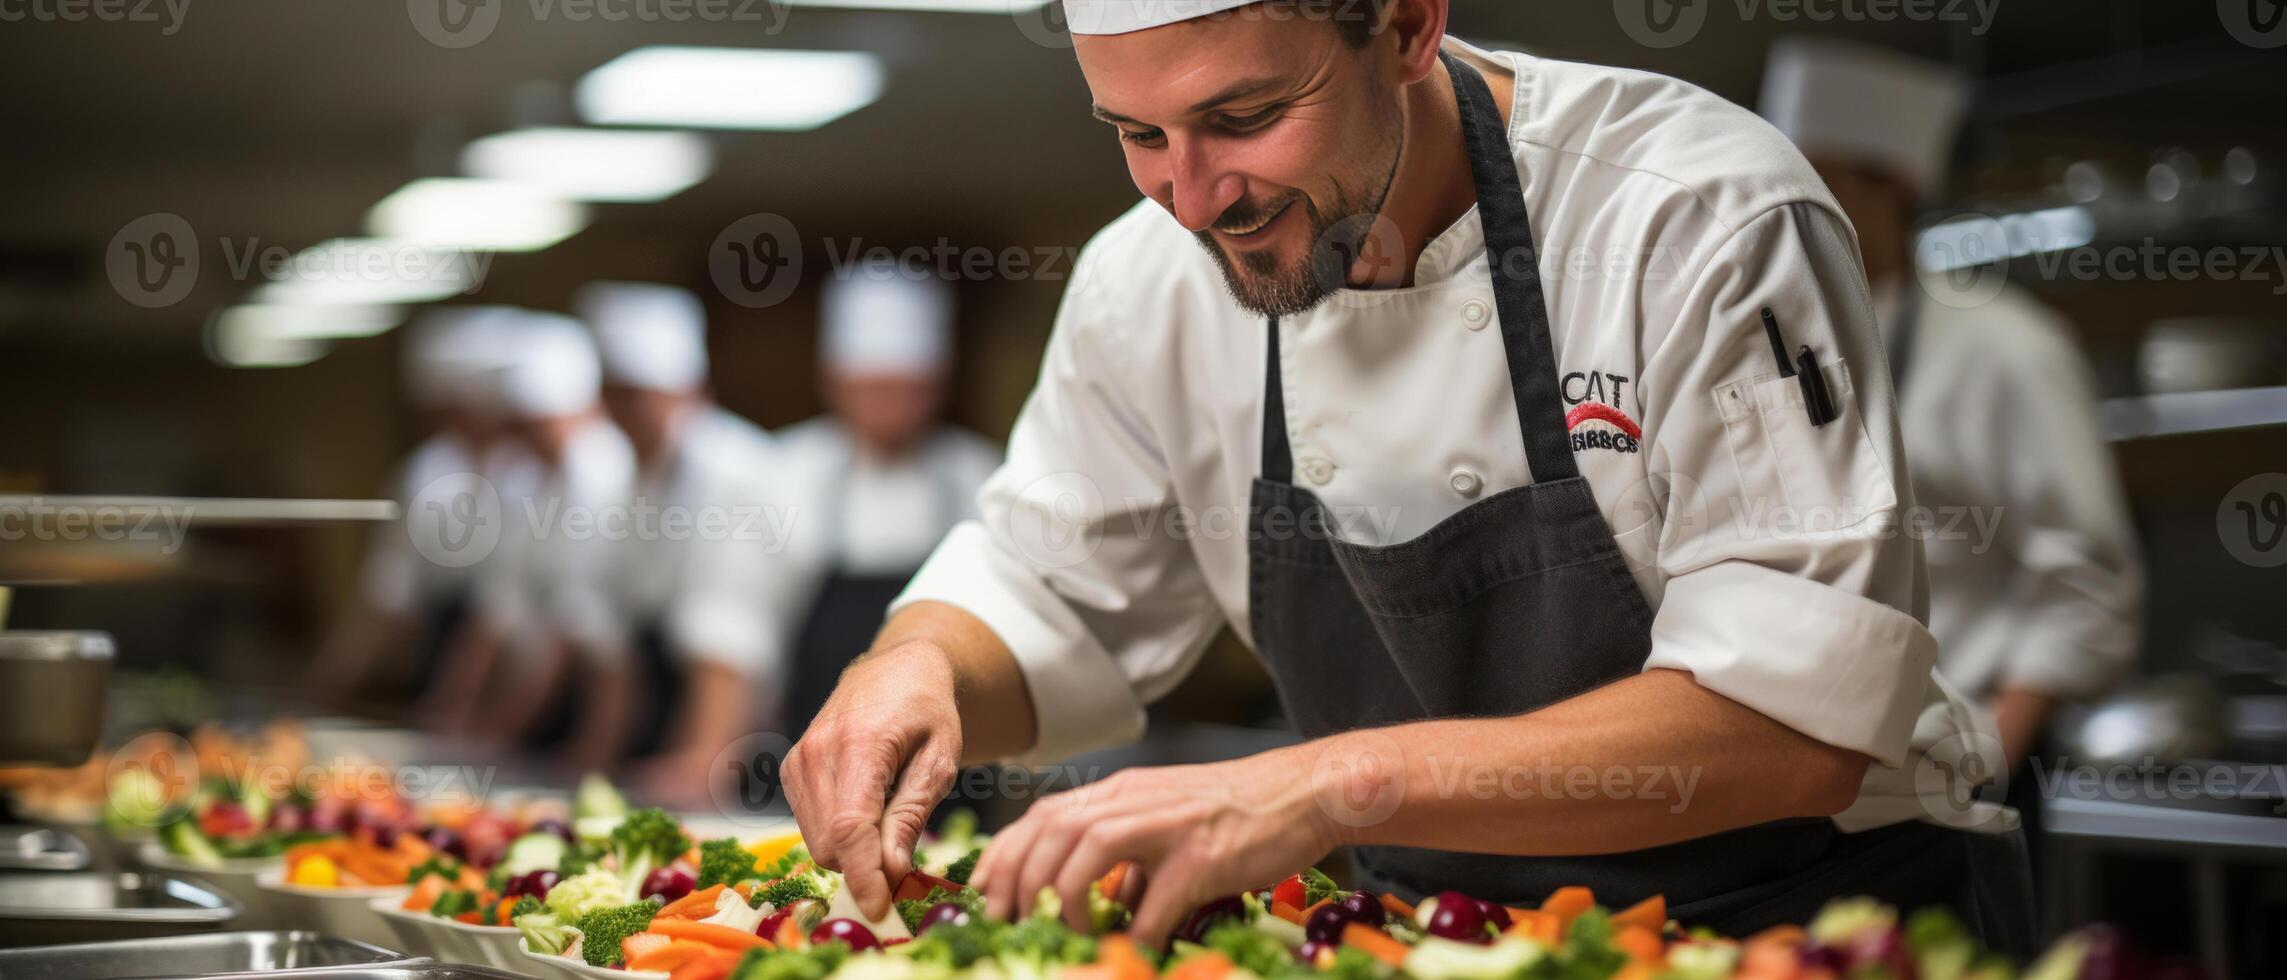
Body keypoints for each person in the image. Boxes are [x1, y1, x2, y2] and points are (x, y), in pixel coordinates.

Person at [783, 0, 2036, 956]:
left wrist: (1333, 781)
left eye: (1241, 118)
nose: (1191, 197)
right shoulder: (1143, 283)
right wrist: (915, 663)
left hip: (1790, 930)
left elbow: (1793, 719)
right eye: (1136, 135)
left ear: (1407, 25)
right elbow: (1047, 589)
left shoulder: (1687, 214)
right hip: (1434, 941)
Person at [1759, 37, 2143, 779]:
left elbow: (2086, 581)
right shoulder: (1764, 340)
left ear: (1893, 186)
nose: (1784, 215)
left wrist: (1987, 754)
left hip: (1948, 760)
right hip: (1797, 770)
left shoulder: (2005, 348)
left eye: (1814, 185)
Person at [575, 282, 787, 806]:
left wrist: (704, 763)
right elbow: (618, 644)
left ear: (687, 389)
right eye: (615, 394)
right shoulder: (630, 477)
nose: (625, 411)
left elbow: (729, 635)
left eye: (638, 395)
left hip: (747, 733)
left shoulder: (731, 470)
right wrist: (591, 759)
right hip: (666, 709)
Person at [773, 260, 1001, 737]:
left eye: (912, 389)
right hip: (815, 741)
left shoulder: (981, 475)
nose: (893, 407)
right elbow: (740, 636)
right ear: (834, 380)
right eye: (875, 388)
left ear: (939, 384)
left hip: (954, 750)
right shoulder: (785, 474)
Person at [421, 311, 637, 770]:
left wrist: (502, 731)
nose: (533, 439)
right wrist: (457, 710)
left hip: (608, 686)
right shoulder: (524, 476)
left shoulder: (605, 471)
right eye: (524, 425)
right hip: (540, 686)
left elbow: (582, 630)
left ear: (583, 409)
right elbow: (500, 608)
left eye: (543, 424)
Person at [307, 306, 517, 706]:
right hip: (450, 663)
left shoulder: (538, 475)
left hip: (527, 685)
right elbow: (387, 597)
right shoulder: (429, 472)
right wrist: (325, 686)